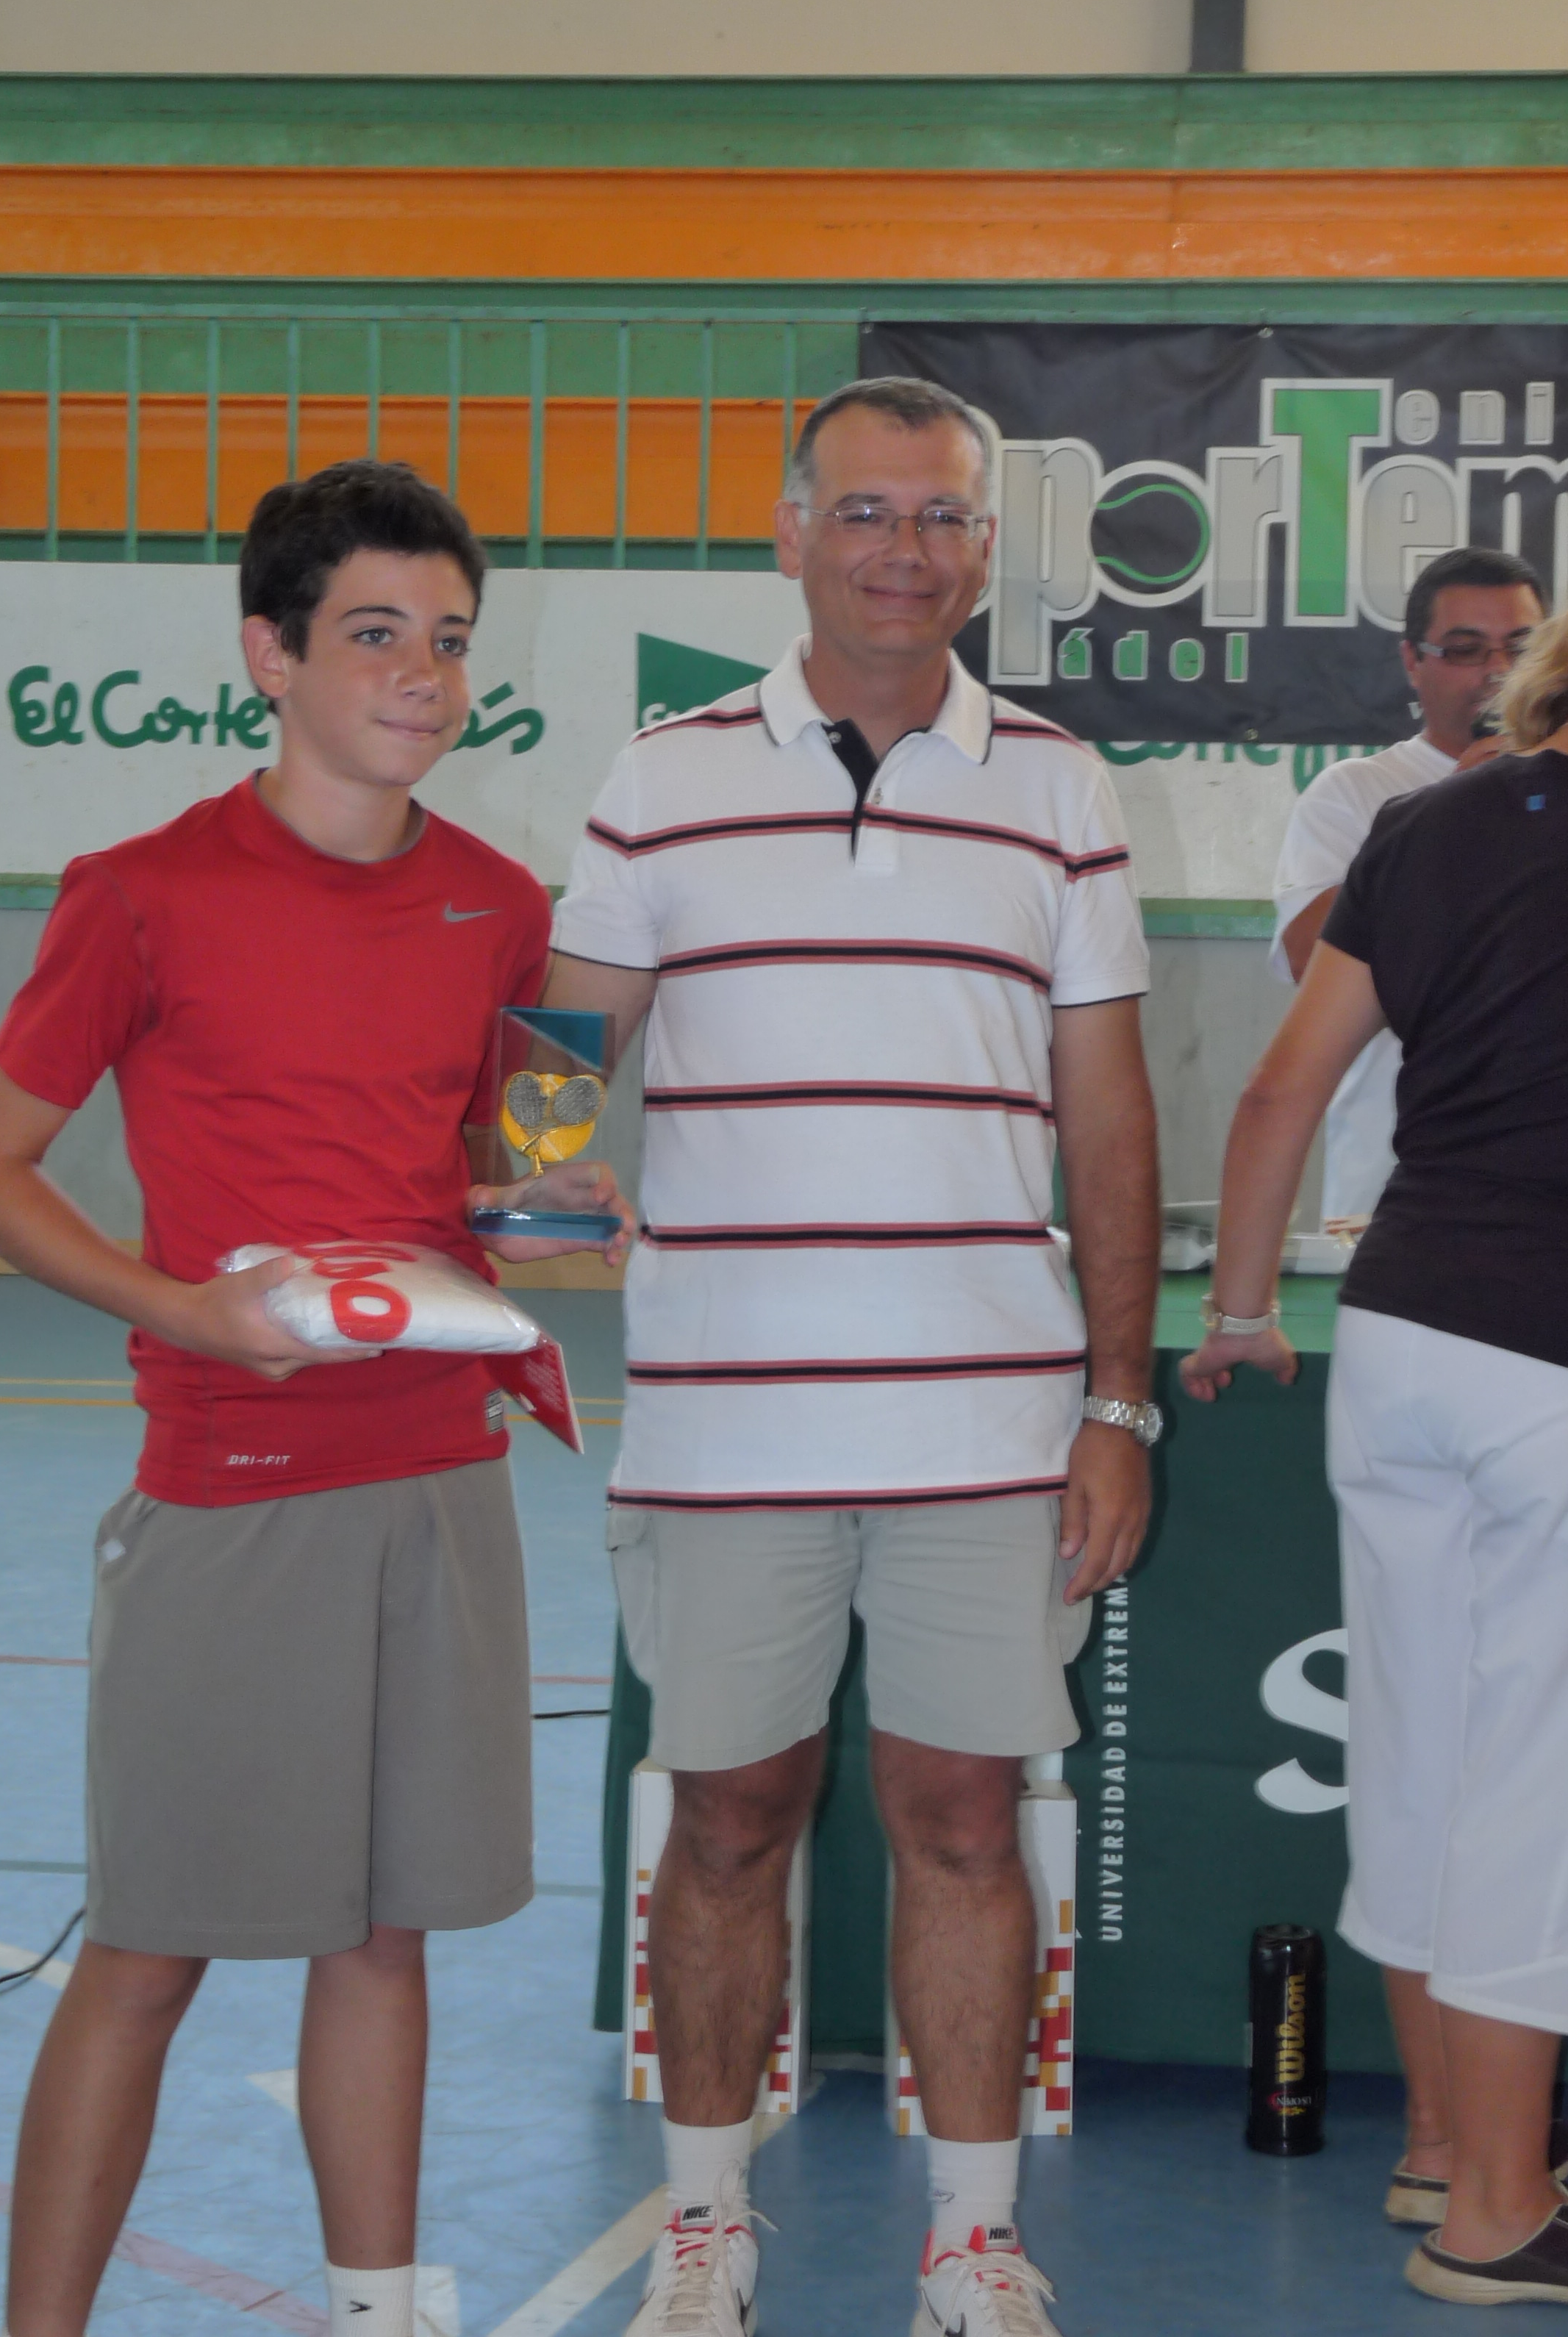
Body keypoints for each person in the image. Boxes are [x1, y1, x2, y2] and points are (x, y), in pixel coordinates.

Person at [0, 459, 631, 2337]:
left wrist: (561, 1207)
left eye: (450, 641)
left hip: (444, 1476)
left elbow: (505, 1186)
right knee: (147, 1954)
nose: (421, 675)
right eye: (376, 634)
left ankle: (375, 2313)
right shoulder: (141, 894)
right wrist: (183, 1309)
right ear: (272, 653)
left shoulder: (502, 908)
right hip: (232, 1486)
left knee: (384, 1938)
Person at [548, 376, 1162, 2337]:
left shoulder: (1057, 783)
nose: (907, 550)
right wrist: (535, 1189)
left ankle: (971, 2244)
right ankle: (705, 2229)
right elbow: (561, 1052)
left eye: (944, 516)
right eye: (869, 511)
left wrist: (1118, 1400)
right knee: (725, 1818)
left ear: (986, 549)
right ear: (792, 534)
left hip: (986, 1424)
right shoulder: (658, 777)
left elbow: (1108, 1110)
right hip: (723, 1427)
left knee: (965, 1822)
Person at [1181, 532, 1568, 2313]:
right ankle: (1497, 2210)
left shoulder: (1423, 827)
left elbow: (1278, 1091)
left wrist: (1240, 1313)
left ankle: (1438, 2147)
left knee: (1419, 1759)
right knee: (1548, 1791)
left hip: (1404, 1337)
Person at [1270, 548, 1544, 1228]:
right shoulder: (1355, 794)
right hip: (1390, 1194)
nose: (1499, 672)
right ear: (1412, 662)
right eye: (1466, 650)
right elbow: (1309, 959)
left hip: (1556, 1192)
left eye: (1522, 647)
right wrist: (1454, 810)